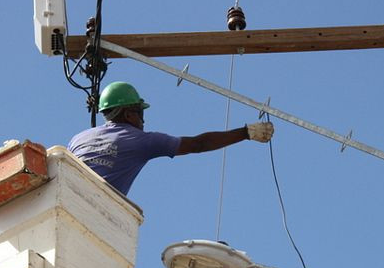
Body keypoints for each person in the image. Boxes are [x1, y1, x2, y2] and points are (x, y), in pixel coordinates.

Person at [68, 82, 274, 196]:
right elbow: (197, 144)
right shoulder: (141, 141)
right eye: (140, 112)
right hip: (95, 208)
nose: (143, 120)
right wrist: (246, 133)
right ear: (129, 114)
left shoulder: (78, 138)